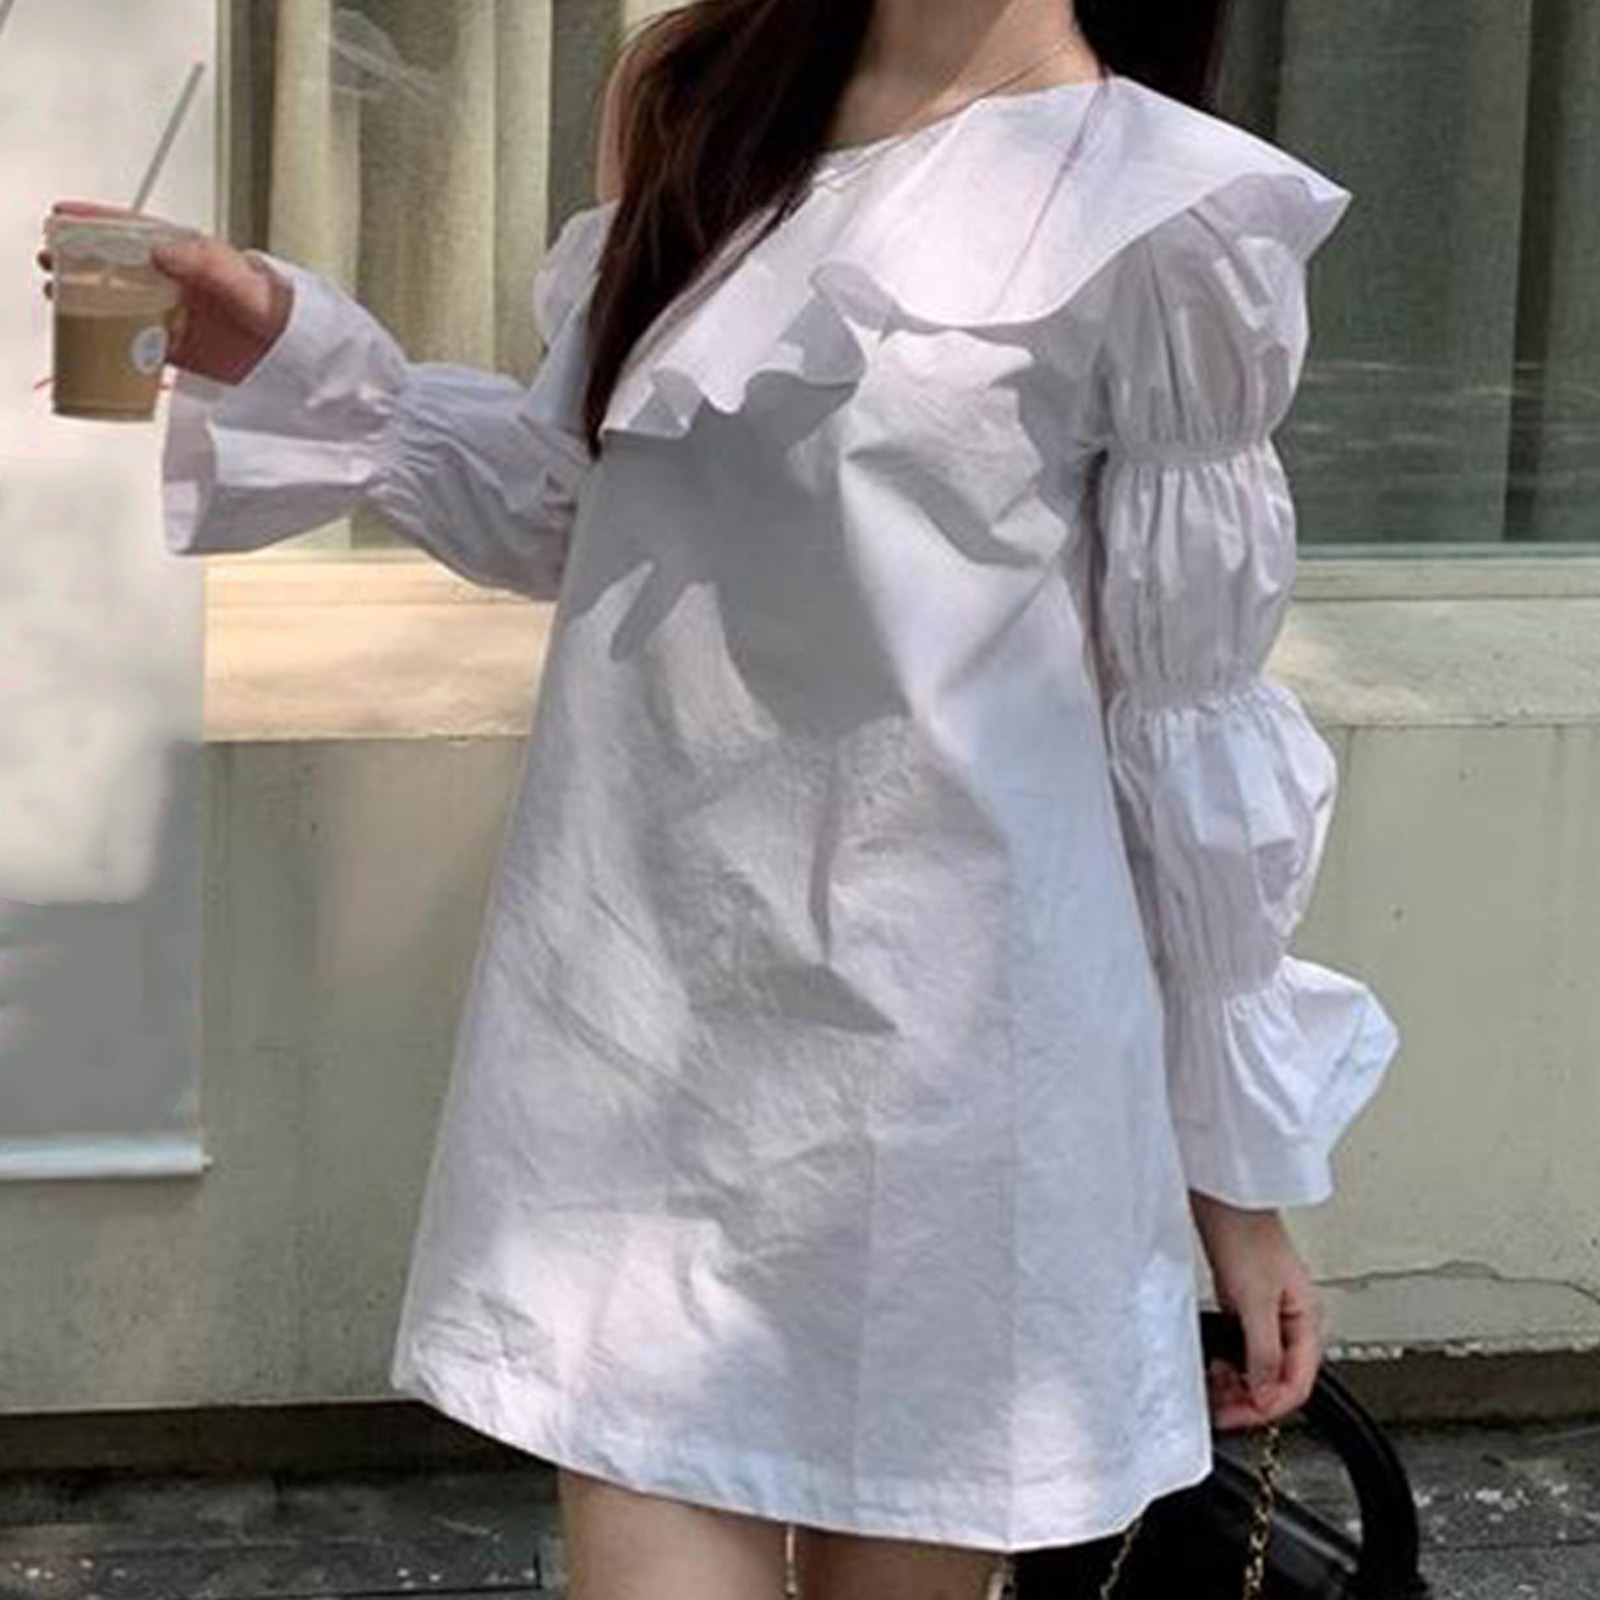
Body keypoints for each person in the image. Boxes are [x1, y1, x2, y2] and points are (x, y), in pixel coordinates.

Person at [42, 1, 1400, 1595]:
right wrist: (295, 353)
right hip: (646, 1043)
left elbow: (1185, 723)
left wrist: (1235, 1181)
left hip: (963, 1097)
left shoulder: (1169, 211)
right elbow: (577, 509)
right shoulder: (702, 93)